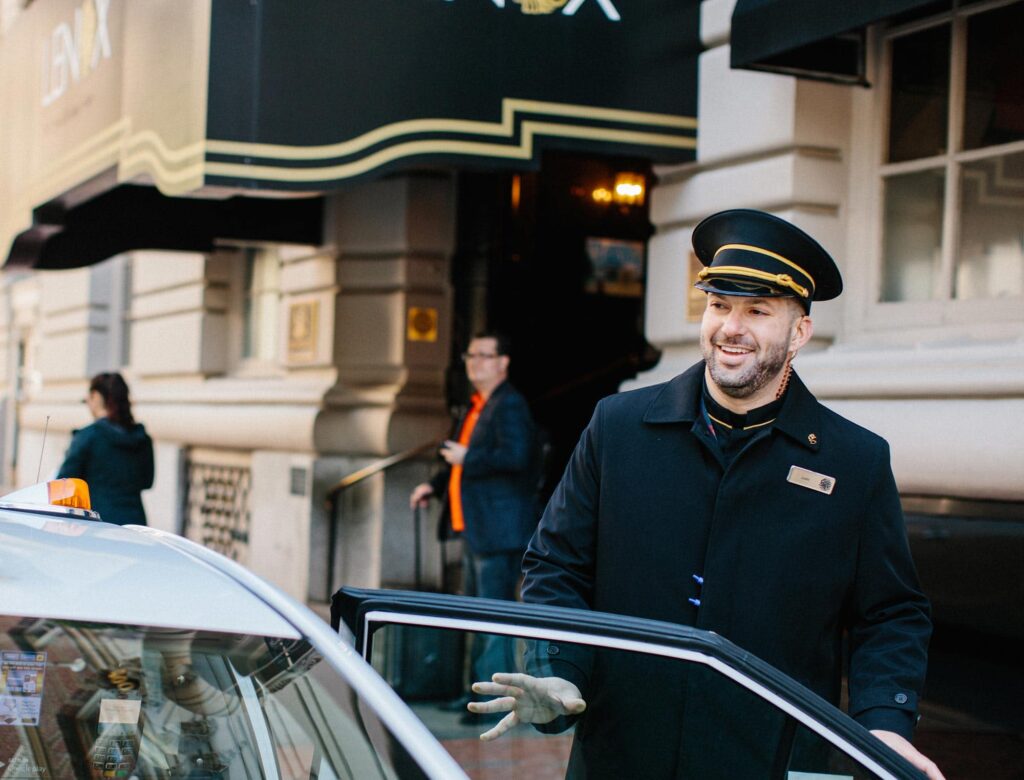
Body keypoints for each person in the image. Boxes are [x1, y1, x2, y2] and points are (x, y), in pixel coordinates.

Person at [468, 210, 945, 780]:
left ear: (799, 333)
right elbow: (556, 563)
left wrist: (881, 722)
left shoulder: (853, 460)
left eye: (758, 311)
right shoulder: (617, 427)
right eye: (719, 305)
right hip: (621, 755)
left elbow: (890, 612)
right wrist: (559, 665)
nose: (730, 328)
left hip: (767, 760)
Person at [409, 332, 539, 712]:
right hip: (477, 529)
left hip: (499, 531)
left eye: (484, 355)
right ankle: (474, 692)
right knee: (478, 613)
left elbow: (516, 457)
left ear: (503, 363)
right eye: (470, 355)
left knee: (492, 617)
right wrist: (432, 485)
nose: (475, 362)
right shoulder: (476, 405)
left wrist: (470, 457)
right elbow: (458, 460)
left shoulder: (509, 404)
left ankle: (492, 697)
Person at [57, 372, 154, 526]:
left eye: (87, 400)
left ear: (95, 397)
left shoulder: (88, 437)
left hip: (96, 525)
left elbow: (64, 484)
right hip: (134, 525)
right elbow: (147, 482)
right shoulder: (142, 439)